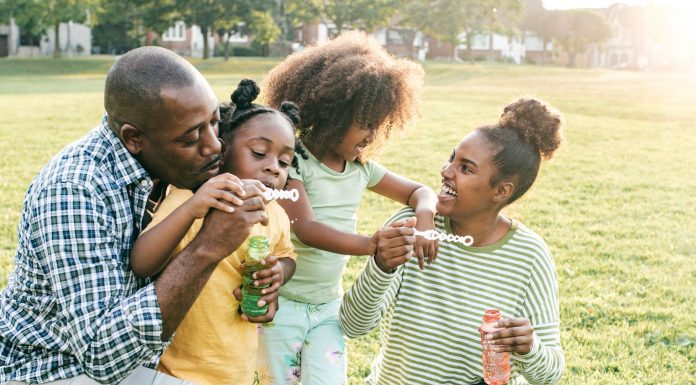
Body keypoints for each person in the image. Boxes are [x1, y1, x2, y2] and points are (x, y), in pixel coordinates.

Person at [0, 47, 269, 385]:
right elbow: (101, 355)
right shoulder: (74, 189)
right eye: (191, 138)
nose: (214, 146)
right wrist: (208, 247)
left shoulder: (177, 167)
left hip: (136, 364)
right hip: (50, 370)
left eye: (214, 122)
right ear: (133, 139)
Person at [339, 98, 565, 385]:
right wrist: (381, 266)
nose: (446, 171)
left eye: (466, 168)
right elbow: (352, 325)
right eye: (451, 159)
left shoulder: (530, 255)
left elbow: (551, 374)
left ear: (501, 191)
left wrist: (530, 347)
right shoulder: (412, 226)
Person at [256, 31, 438, 385]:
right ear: (333, 113)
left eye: (378, 125)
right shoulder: (293, 163)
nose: (371, 135)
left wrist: (426, 219)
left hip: (328, 309)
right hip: (283, 304)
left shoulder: (361, 169)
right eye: (365, 123)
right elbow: (305, 227)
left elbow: (420, 191)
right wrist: (370, 245)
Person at [129, 79, 299, 385]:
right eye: (259, 153)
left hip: (236, 372)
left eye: (284, 161)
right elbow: (141, 263)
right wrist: (194, 207)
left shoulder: (275, 215)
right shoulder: (189, 200)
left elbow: (287, 256)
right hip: (175, 372)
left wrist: (279, 274)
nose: (274, 168)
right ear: (221, 155)